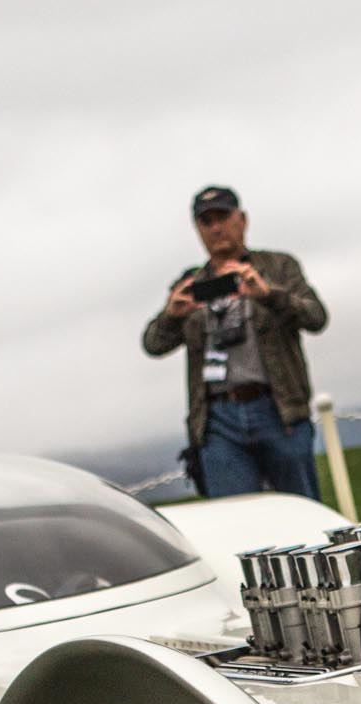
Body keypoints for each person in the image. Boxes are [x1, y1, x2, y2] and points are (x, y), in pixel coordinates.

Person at [141, 185, 329, 499]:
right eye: (206, 221)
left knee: (302, 512)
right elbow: (153, 344)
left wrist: (269, 294)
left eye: (223, 217)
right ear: (198, 230)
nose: (216, 228)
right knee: (239, 522)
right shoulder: (189, 282)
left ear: (242, 219)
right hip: (217, 420)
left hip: (278, 410)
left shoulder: (278, 266)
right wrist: (172, 315)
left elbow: (316, 318)